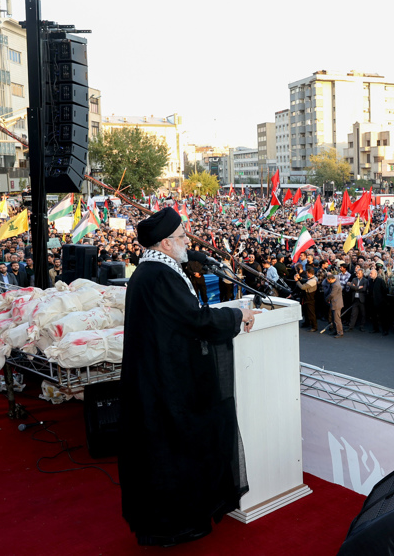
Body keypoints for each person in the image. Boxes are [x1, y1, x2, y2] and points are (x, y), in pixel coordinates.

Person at [119, 207, 258, 547]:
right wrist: (236, 315)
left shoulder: (155, 271)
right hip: (164, 384)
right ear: (165, 243)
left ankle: (180, 519)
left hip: (160, 377)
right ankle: (174, 526)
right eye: (182, 237)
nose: (187, 242)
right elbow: (195, 321)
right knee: (170, 453)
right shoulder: (159, 276)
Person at [327, 272, 344, 338]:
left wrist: (327, 299)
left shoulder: (335, 285)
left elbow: (332, 294)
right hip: (335, 303)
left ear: (330, 279)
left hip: (337, 304)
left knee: (337, 319)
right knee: (334, 319)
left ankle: (340, 332)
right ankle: (336, 330)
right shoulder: (335, 283)